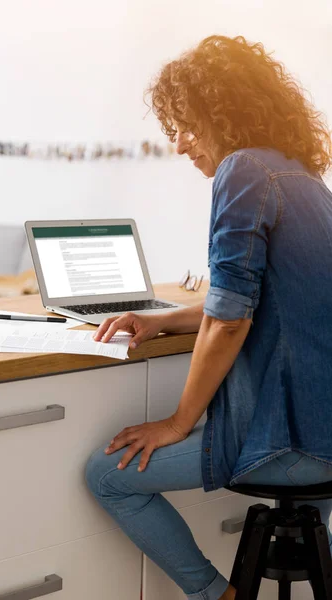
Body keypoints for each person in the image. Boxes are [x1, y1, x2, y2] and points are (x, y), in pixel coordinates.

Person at [85, 35, 332, 600]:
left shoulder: (242, 170)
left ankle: (217, 596)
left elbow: (228, 322)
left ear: (225, 112)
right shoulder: (303, 178)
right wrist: (161, 320)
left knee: (106, 478)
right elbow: (256, 299)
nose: (179, 144)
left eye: (186, 125)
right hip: (326, 429)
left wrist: (176, 423)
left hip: (291, 442)